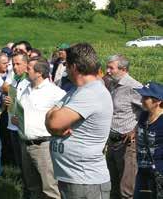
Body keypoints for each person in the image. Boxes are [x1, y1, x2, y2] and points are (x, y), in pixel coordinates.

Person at [45, 43, 113, 199]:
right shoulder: (76, 91)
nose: (65, 69)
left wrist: (54, 120)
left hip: (86, 182)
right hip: (73, 179)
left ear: (74, 67)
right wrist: (54, 122)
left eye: (66, 65)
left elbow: (53, 122)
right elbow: (50, 119)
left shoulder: (91, 92)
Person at [16, 57, 65, 199]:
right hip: (25, 144)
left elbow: (66, 116)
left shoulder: (55, 92)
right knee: (33, 187)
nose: (26, 70)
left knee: (49, 188)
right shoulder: (26, 89)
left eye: (29, 68)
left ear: (39, 73)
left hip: (44, 146)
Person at [105, 55, 143, 199]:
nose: (107, 71)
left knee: (127, 189)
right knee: (112, 185)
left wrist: (135, 129)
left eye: (111, 68)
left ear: (123, 69)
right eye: (107, 67)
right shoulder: (113, 84)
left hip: (127, 144)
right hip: (112, 141)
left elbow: (151, 108)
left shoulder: (133, 86)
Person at [133, 82, 163, 199]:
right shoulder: (143, 116)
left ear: (158, 101)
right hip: (142, 171)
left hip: (158, 174)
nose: (141, 100)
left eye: (146, 97)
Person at [3, 52, 30, 170]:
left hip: (24, 126)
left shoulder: (29, 81)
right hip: (12, 124)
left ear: (26, 64)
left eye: (18, 64)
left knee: (27, 161)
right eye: (13, 64)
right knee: (18, 159)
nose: (15, 67)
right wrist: (7, 101)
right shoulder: (14, 79)